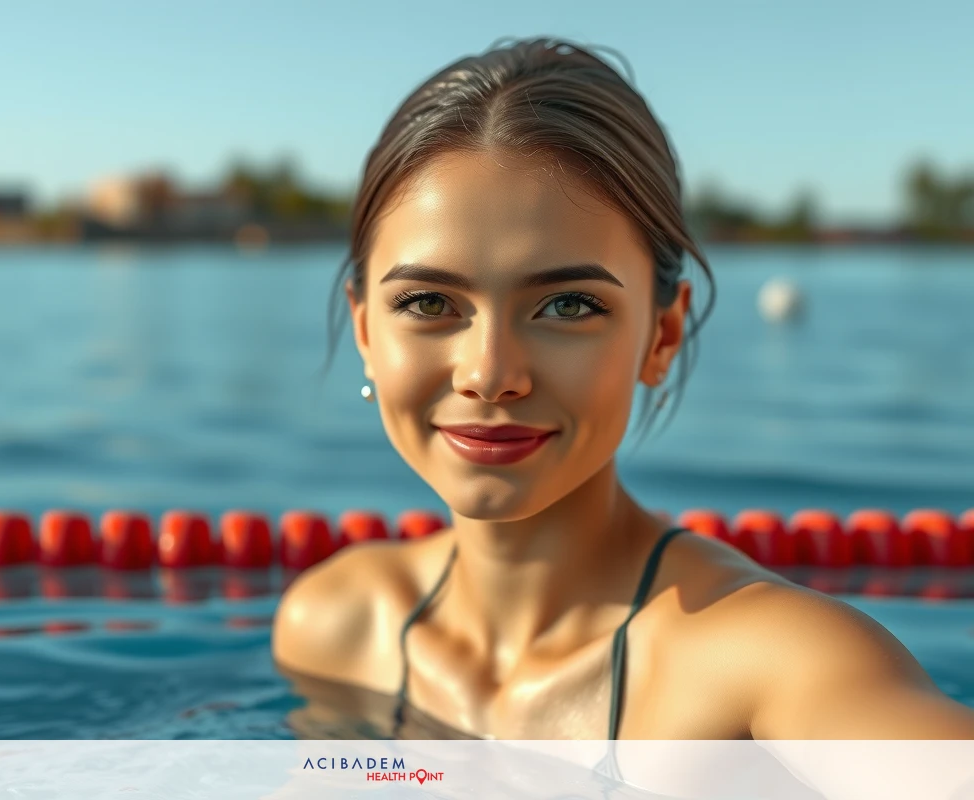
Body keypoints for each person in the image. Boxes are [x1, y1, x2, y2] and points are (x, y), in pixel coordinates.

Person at [271, 37, 974, 741]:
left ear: (662, 335)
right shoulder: (335, 631)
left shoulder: (762, 667)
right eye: (428, 303)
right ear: (366, 332)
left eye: (568, 305)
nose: (488, 374)